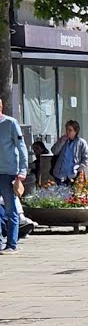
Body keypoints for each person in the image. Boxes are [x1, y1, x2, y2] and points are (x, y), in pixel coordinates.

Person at [0, 98, 28, 253]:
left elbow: (21, 147)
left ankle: (11, 244)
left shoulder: (10, 123)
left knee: (11, 209)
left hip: (8, 173)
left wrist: (22, 171)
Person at [50, 120, 88, 185]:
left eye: (70, 130)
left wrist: (79, 169)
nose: (68, 132)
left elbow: (86, 158)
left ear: (75, 131)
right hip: (60, 174)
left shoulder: (81, 142)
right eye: (67, 129)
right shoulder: (63, 140)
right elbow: (54, 151)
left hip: (73, 174)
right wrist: (61, 141)